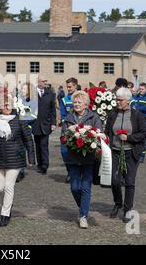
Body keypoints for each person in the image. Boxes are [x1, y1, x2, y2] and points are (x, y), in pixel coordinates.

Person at [0, 94, 35, 227]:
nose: (7, 106)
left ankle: (5, 214)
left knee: (9, 186)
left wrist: (31, 158)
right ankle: (7, 205)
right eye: (4, 105)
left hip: (15, 158)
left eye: (9, 104)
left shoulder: (19, 120)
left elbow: (28, 139)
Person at [61, 91, 103, 228]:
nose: (76, 104)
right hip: (73, 158)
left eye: (79, 102)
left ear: (86, 104)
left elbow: (99, 134)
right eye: (75, 102)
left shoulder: (93, 117)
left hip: (89, 158)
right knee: (74, 187)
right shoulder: (68, 118)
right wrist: (70, 138)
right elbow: (63, 137)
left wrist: (89, 138)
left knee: (85, 187)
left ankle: (83, 216)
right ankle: (83, 208)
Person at [105, 88, 146, 223]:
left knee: (129, 182)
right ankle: (118, 203)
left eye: (120, 100)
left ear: (128, 101)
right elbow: (107, 132)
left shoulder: (137, 115)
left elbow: (143, 134)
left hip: (131, 152)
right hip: (115, 152)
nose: (117, 102)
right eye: (116, 99)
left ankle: (128, 209)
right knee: (114, 181)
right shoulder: (112, 114)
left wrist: (128, 137)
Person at [31, 75, 56, 175]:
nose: (45, 82)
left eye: (46, 80)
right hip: (35, 124)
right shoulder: (32, 93)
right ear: (38, 82)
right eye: (43, 81)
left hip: (46, 124)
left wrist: (53, 123)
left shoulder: (50, 93)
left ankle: (45, 165)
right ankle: (40, 164)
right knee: (37, 145)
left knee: (44, 145)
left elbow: (53, 110)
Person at [15, 82, 37, 182]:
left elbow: (34, 116)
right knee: (17, 150)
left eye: (24, 89)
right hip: (16, 128)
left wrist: (22, 121)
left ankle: (21, 171)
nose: (22, 91)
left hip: (26, 128)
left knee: (23, 149)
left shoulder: (33, 101)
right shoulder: (18, 100)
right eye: (22, 89)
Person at [59, 77, 78, 182]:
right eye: (67, 87)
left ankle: (76, 173)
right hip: (67, 129)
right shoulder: (64, 100)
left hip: (80, 129)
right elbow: (62, 114)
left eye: (70, 87)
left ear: (75, 86)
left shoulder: (81, 98)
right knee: (64, 151)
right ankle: (70, 171)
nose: (69, 89)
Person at [130, 83, 146, 161]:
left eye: (142, 89)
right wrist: (136, 107)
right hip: (135, 120)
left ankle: (142, 155)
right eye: (140, 89)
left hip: (145, 121)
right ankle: (135, 153)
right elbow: (131, 104)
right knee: (135, 137)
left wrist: (137, 108)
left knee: (143, 138)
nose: (140, 90)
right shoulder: (135, 97)